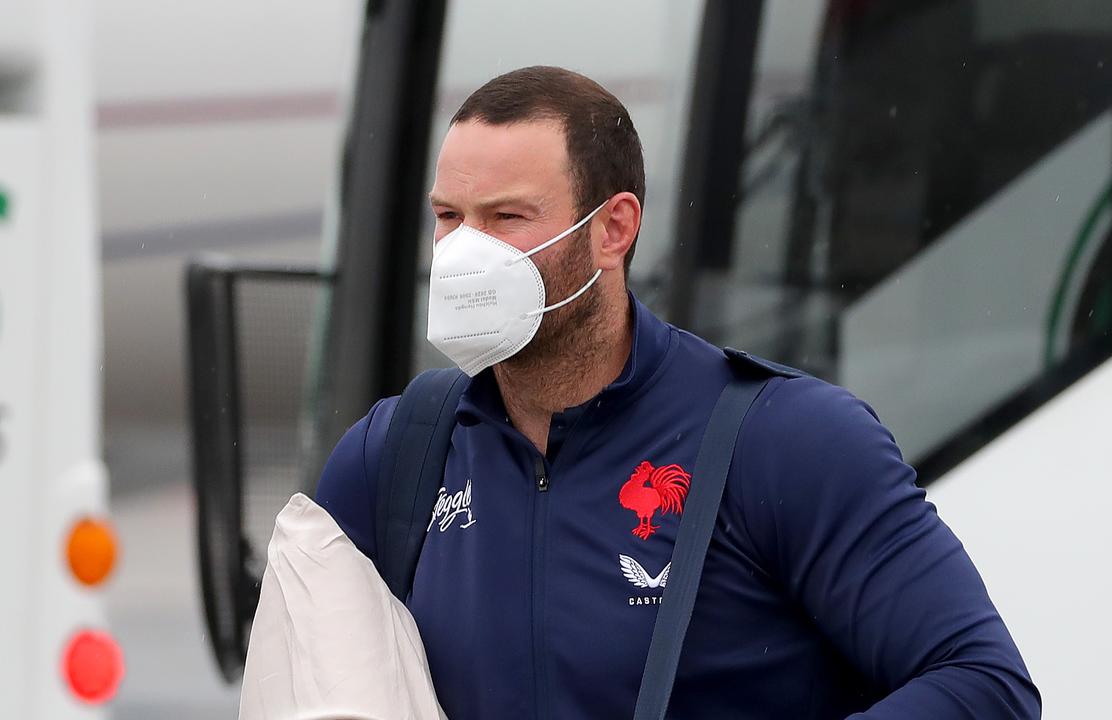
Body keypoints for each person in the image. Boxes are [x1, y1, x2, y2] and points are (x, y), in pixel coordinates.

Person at [316, 65, 1040, 719]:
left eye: (506, 218)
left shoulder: (786, 439)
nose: (464, 254)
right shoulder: (395, 455)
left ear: (614, 229)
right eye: (448, 217)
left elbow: (983, 685)